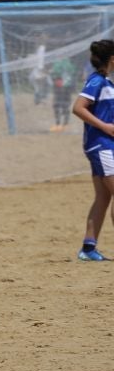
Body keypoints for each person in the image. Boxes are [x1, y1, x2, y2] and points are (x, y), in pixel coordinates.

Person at [73, 39, 114, 261]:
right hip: (101, 145)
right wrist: (105, 127)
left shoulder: (107, 83)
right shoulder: (97, 81)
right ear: (112, 59)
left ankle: (88, 249)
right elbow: (78, 108)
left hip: (105, 145)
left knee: (103, 196)